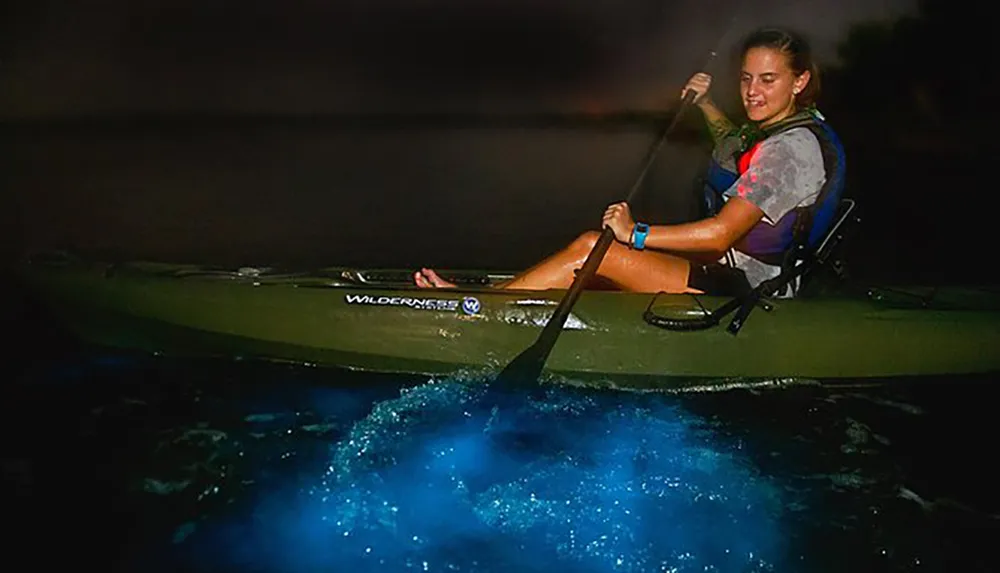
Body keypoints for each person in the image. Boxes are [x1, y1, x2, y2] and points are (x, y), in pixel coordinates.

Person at [414, 27, 845, 296]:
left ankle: (473, 310)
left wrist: (635, 234)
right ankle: (507, 296)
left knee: (592, 251)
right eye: (747, 78)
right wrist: (707, 104)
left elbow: (718, 236)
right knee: (592, 258)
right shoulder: (784, 130)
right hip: (730, 270)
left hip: (748, 285)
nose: (752, 91)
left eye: (768, 80)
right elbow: (734, 144)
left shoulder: (789, 150)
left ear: (800, 80)